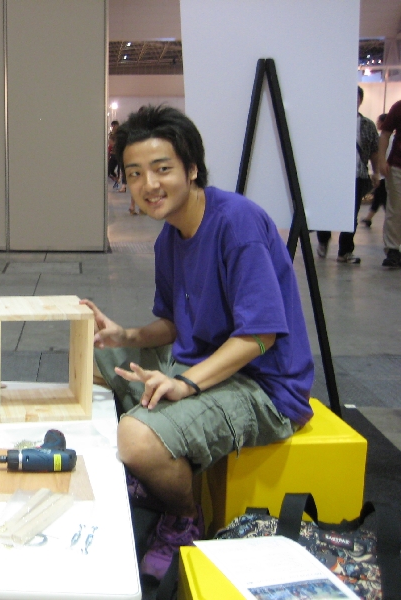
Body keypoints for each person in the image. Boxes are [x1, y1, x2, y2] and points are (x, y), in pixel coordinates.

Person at [82, 105, 314, 581]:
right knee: (92, 354)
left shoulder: (237, 223)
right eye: (134, 173)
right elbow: (173, 323)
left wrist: (185, 383)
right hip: (205, 363)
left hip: (265, 387)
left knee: (135, 438)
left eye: (162, 168)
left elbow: (260, 335)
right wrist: (123, 335)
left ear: (191, 169)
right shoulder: (170, 238)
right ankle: (159, 469)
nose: (149, 184)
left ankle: (184, 516)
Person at [316, 87, 378, 264]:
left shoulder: (367, 125)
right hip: (333, 174)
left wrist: (376, 172)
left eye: (356, 97)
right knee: (327, 209)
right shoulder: (332, 121)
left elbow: (374, 150)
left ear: (360, 100)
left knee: (352, 215)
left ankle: (345, 251)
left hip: (357, 175)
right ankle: (323, 238)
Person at [378, 99, 401, 268]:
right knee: (396, 208)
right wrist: (381, 159)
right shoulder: (398, 107)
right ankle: (392, 249)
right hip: (397, 166)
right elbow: (385, 133)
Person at [362, 113, 389, 228]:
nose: (377, 123)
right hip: (384, 175)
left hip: (383, 175)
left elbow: (377, 155)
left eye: (379, 121)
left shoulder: (382, 138)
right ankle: (368, 218)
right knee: (379, 198)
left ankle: (370, 218)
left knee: (382, 199)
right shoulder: (386, 138)